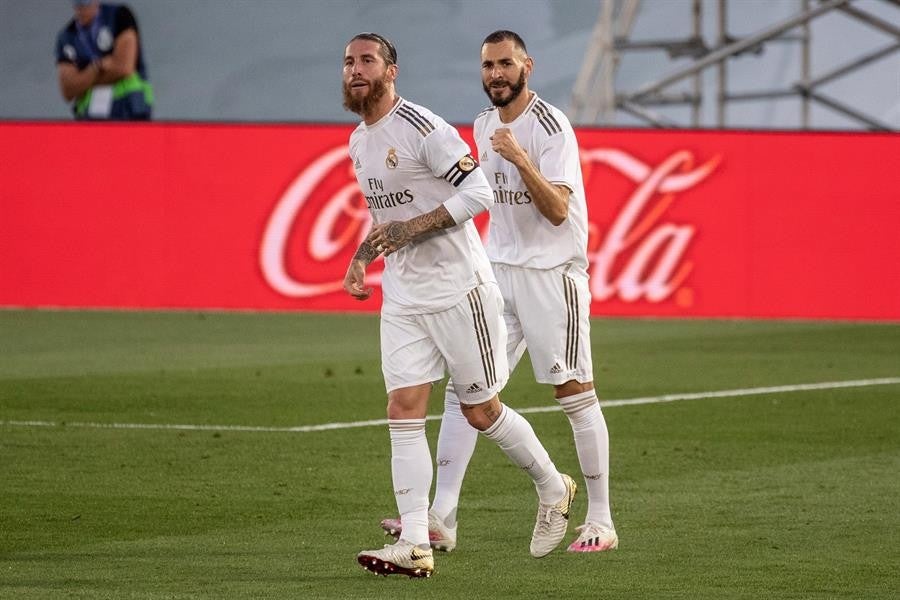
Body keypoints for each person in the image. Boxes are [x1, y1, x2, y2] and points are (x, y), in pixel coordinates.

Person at [341, 32, 577, 578]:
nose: (356, 70)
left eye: (367, 61)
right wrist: (362, 256)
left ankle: (551, 482)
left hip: (459, 291)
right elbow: (387, 218)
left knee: (480, 410)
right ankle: (418, 541)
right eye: (349, 62)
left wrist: (414, 228)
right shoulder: (358, 141)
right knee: (403, 409)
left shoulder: (422, 129)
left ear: (391, 70)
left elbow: (479, 194)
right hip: (403, 296)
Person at [381, 30, 618, 554]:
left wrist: (518, 156)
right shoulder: (483, 123)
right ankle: (441, 517)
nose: (496, 74)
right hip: (496, 271)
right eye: (488, 66)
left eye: (505, 64)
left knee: (573, 392)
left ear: (526, 66)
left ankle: (600, 519)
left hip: (552, 274)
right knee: (467, 391)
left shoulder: (552, 126)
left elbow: (557, 210)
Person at [54, 0, 153, 120]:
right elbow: (68, 90)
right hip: (91, 115)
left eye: (86, 4)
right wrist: (96, 69)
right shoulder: (66, 36)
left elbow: (124, 67)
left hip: (130, 108)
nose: (82, 9)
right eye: (78, 4)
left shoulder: (120, 15)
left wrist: (83, 79)